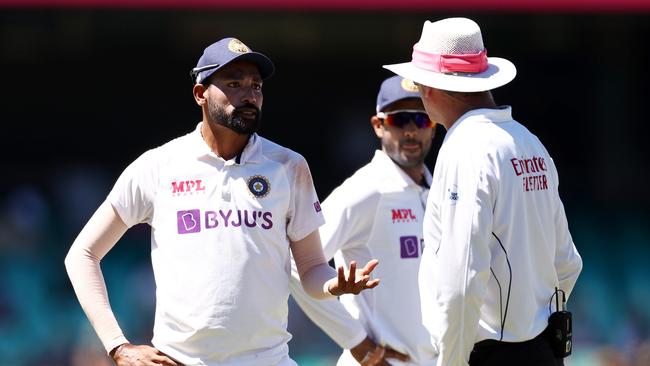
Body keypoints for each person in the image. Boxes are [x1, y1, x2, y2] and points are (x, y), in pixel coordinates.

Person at [64, 37, 380, 366]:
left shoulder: (289, 166)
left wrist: (333, 284)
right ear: (200, 94)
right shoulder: (158, 166)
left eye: (256, 86)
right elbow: (82, 254)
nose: (249, 95)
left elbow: (312, 269)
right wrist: (118, 346)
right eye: (234, 83)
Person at [384, 18, 583, 366]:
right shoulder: (529, 142)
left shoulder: (466, 148)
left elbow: (461, 277)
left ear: (430, 88)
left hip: (491, 353)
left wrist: (452, 360)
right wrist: (535, 324)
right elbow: (566, 262)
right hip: (542, 350)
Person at [290, 75, 438, 365]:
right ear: (378, 126)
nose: (411, 131)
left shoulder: (442, 191)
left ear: (434, 125)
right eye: (399, 120)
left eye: (421, 120)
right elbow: (296, 266)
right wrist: (358, 343)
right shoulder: (367, 189)